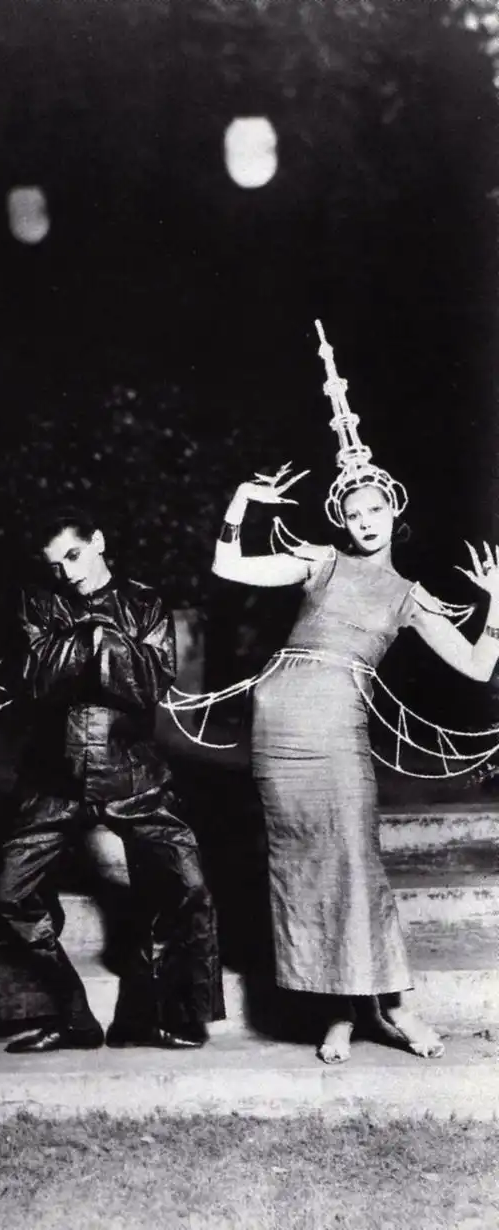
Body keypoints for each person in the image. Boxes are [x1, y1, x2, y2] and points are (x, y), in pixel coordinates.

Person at [210, 322, 499, 1064]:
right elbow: (228, 567)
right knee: (300, 866)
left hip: (336, 729)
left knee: (355, 864)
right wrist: (241, 501)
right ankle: (336, 1012)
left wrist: (496, 604)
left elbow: (476, 668)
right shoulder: (319, 561)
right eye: (355, 513)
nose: (366, 522)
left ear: (394, 512)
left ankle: (394, 1008)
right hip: (278, 724)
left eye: (376, 511)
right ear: (341, 517)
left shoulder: (408, 594)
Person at [0, 507, 224, 1052]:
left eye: (73, 556)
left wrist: (85, 642)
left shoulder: (144, 603)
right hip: (54, 778)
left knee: (187, 885)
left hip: (133, 775)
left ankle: (151, 1016)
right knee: (8, 894)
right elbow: (35, 678)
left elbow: (150, 683)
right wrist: (100, 639)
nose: (67, 572)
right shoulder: (37, 601)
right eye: (55, 565)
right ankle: (69, 1017)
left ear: (97, 541)